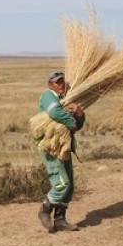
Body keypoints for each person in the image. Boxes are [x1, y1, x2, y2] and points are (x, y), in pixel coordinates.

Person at [37, 71, 85, 232]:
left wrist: (79, 114)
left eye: (62, 81)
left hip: (64, 146)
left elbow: (77, 125)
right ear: (50, 84)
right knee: (61, 184)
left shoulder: (66, 100)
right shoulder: (48, 95)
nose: (61, 84)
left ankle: (60, 220)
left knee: (69, 186)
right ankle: (45, 209)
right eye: (57, 82)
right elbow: (55, 113)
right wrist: (71, 120)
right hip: (51, 146)